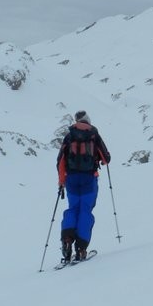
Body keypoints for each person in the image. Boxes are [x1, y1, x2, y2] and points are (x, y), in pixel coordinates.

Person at [56, 110, 111, 263]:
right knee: (85, 211)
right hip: (89, 179)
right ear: (88, 120)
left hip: (71, 180)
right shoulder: (93, 135)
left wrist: (61, 182)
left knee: (73, 209)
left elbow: (60, 160)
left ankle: (67, 240)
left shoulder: (69, 136)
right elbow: (106, 159)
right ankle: (81, 248)